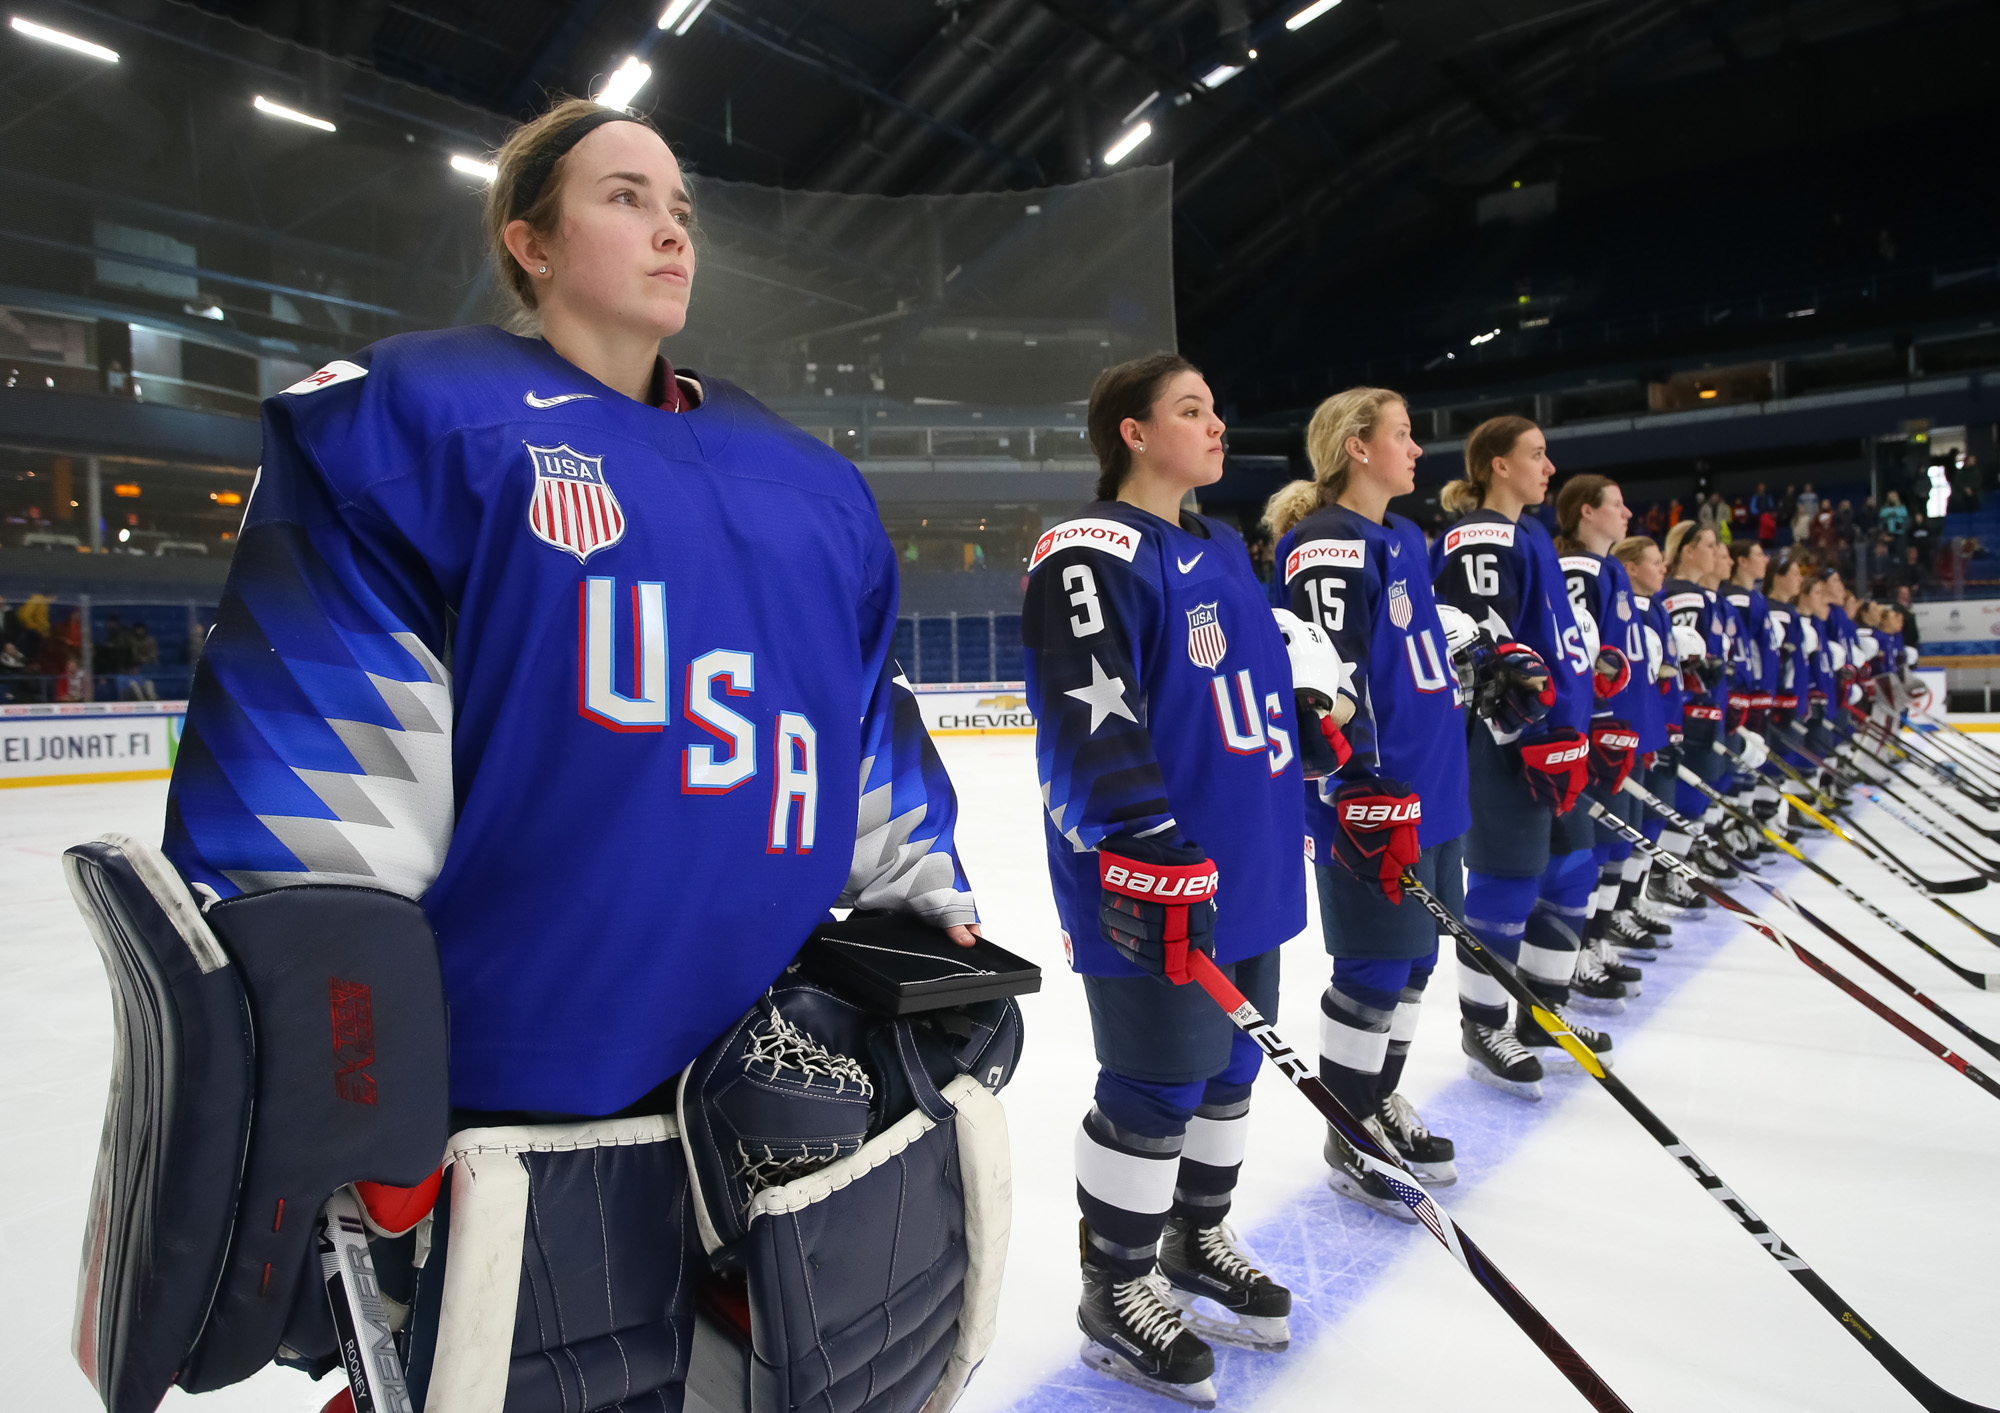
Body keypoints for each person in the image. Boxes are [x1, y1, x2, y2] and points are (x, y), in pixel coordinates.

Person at [144, 98, 994, 1413]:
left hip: (772, 1081)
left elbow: (864, 729)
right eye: (623, 195)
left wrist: (933, 919)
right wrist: (345, 1093)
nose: (668, 226)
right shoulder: (418, 419)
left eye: (681, 206)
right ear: (528, 241)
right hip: (517, 1107)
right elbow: (319, 795)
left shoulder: (806, 481)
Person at [1022, 354, 1306, 1404]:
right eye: (1191, 408)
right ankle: (1117, 1286)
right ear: (1132, 433)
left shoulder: (1224, 545)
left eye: (1216, 405)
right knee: (1153, 1090)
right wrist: (1140, 844)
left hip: (1252, 868)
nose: (1216, 424)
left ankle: (1194, 1241)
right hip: (1158, 878)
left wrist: (1314, 729)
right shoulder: (1089, 550)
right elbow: (1081, 711)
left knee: (1230, 1075)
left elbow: (1252, 694)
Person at [1263, 387, 1469, 1214]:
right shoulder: (1325, 545)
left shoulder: (1402, 536)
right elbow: (1325, 682)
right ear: (1356, 446)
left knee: (1417, 958)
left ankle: (1378, 1096)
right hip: (1376, 798)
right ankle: (1350, 1132)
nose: (1416, 449)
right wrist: (1356, 791)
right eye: (1402, 434)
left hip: (1437, 788)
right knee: (1375, 964)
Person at [1431, 416, 1612, 1103]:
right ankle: (1484, 1025)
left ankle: (1542, 1013)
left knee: (1572, 870)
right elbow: (1487, 656)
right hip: (1510, 741)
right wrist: (1532, 734)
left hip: (1557, 738)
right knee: (1507, 881)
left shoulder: (1531, 533)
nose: (1549, 465)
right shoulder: (1477, 533)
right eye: (1535, 454)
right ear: (1496, 465)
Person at [1552, 475, 1651, 1008]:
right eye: (1616, 504)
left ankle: (1595, 941)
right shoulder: (1580, 569)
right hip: (1594, 732)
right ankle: (1577, 952)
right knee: (1586, 852)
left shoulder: (1605, 567)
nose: (1627, 513)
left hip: (1616, 727)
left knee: (1613, 846)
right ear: (1587, 512)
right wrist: (1602, 719)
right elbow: (1579, 657)